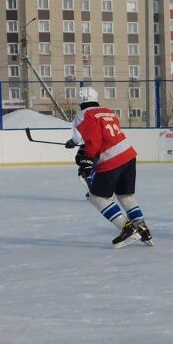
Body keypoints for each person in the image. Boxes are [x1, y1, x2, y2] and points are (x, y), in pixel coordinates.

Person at [66, 86, 152, 248]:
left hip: (112, 159)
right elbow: (100, 135)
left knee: (95, 196)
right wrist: (77, 144)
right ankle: (142, 229)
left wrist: (86, 160)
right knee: (124, 195)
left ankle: (126, 228)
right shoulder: (108, 111)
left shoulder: (83, 114)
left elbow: (91, 139)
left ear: (79, 101)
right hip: (128, 155)